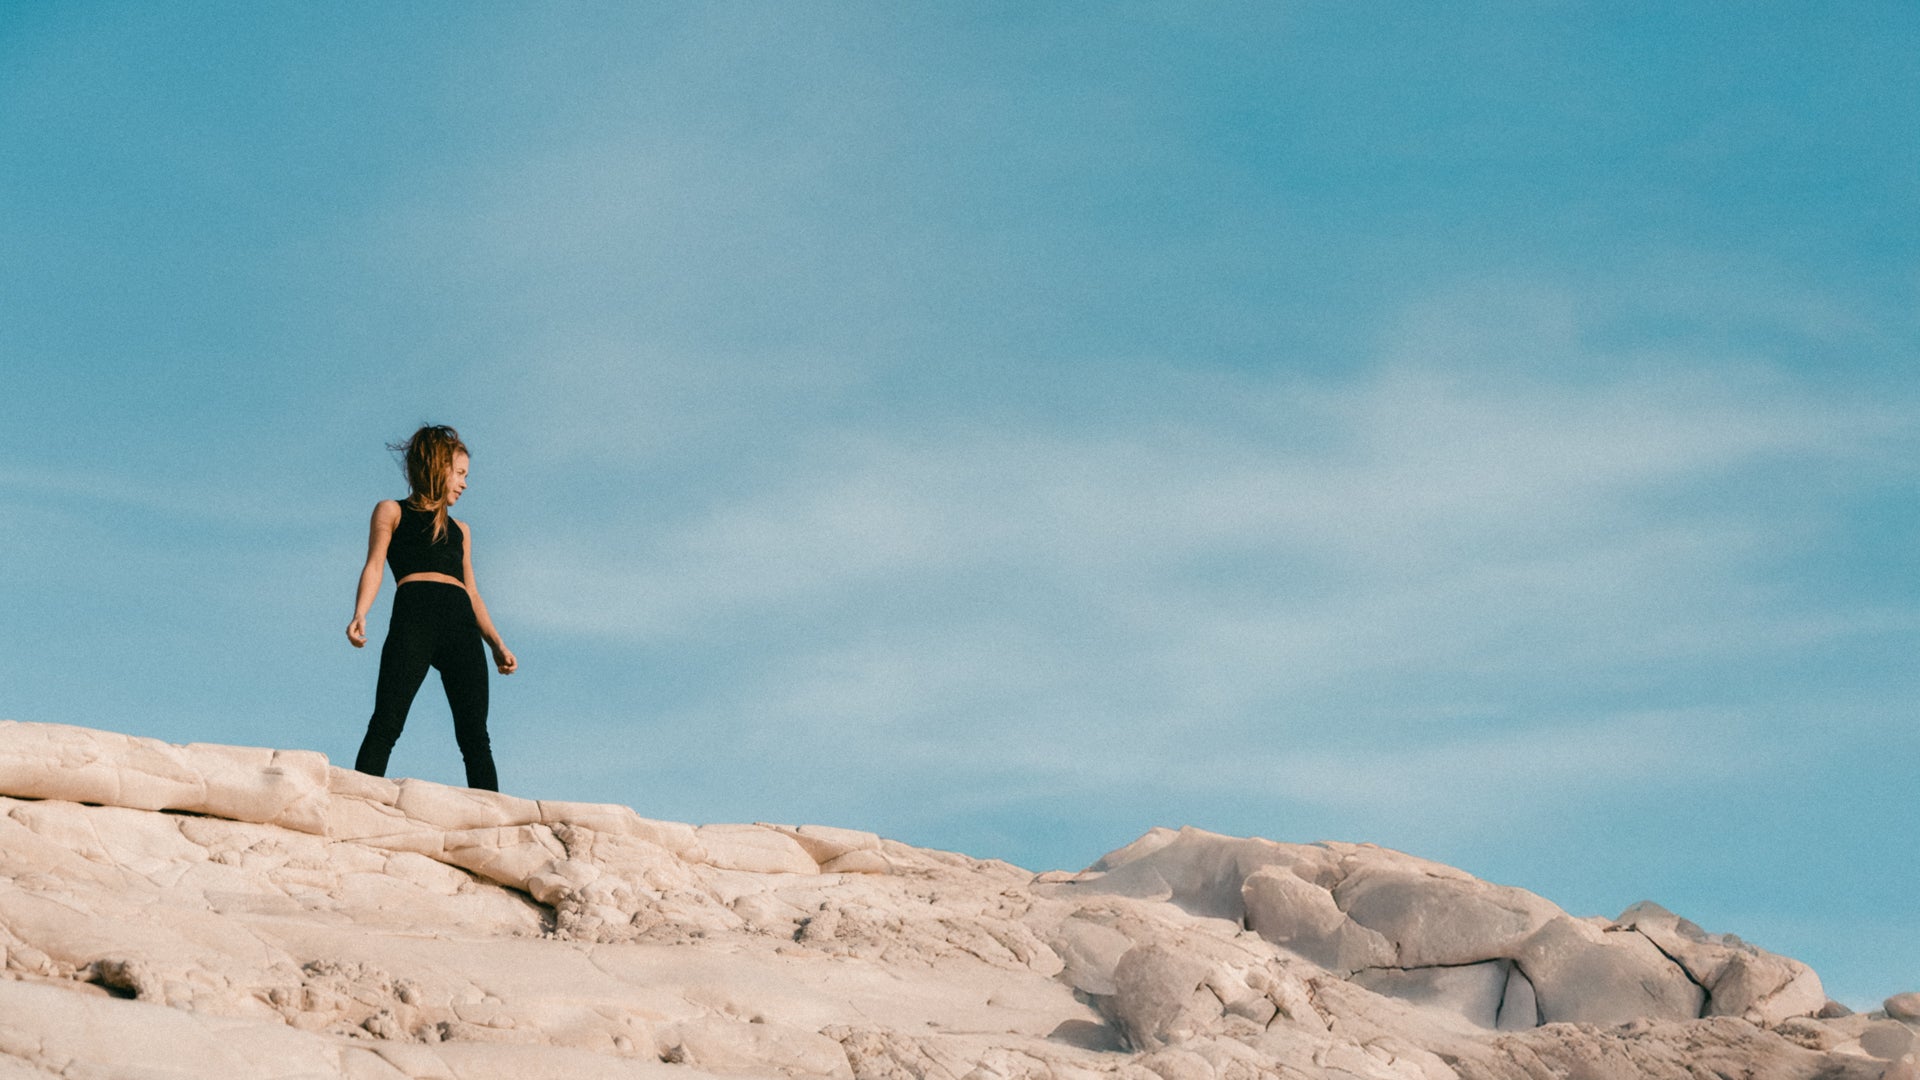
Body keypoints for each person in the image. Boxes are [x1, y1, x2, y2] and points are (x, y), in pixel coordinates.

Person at [346, 424, 517, 791]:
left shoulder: (462, 531)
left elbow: (472, 592)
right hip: (414, 619)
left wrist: (497, 643)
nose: (464, 483)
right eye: (459, 473)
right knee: (387, 721)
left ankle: (490, 820)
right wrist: (361, 611)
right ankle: (355, 800)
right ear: (437, 466)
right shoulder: (391, 511)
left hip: (461, 628)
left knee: (475, 737)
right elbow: (374, 565)